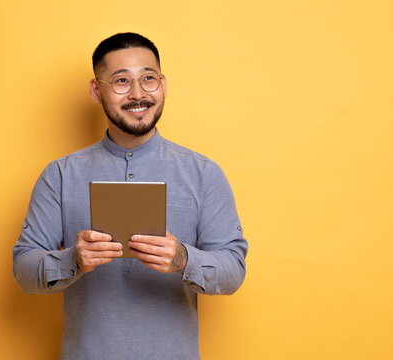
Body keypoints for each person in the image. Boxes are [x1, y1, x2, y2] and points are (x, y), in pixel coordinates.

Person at [13, 32, 248, 359]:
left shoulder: (205, 174)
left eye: (148, 79)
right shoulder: (60, 175)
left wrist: (183, 259)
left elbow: (233, 270)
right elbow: (24, 269)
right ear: (97, 91)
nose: (138, 94)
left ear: (163, 84)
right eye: (121, 81)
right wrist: (73, 260)